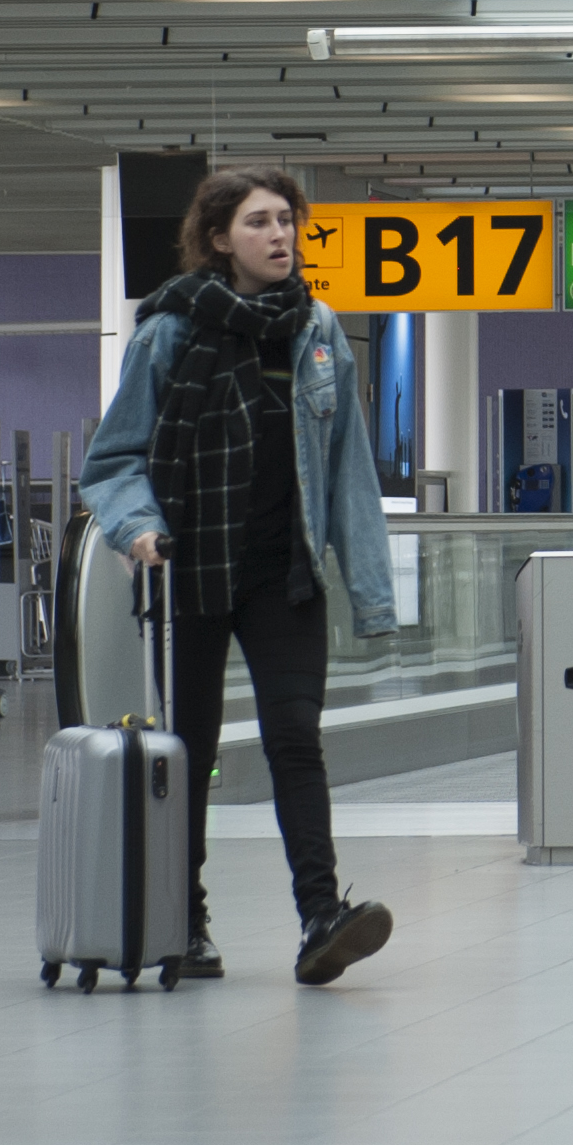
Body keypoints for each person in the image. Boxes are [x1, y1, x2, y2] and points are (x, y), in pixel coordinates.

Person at [85, 165, 402, 990]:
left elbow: (349, 474)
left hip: (282, 575)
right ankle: (182, 922)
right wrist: (140, 527)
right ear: (221, 238)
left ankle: (321, 914)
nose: (281, 236)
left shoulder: (319, 332)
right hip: (190, 570)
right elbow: (114, 458)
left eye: (288, 222)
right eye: (260, 222)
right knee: (189, 752)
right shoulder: (169, 332)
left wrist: (370, 594)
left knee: (296, 740)